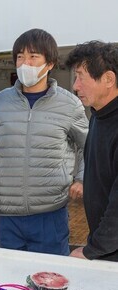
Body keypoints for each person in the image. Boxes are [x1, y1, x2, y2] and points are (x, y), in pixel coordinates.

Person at [0, 29, 89, 255]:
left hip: (50, 213)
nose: (24, 63)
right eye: (20, 57)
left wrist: (81, 178)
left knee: (49, 279)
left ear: (50, 64)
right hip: (4, 214)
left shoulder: (70, 105)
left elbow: (88, 146)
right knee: (5, 279)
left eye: (33, 57)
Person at [66, 41, 118, 261]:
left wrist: (92, 250)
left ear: (108, 79)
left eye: (80, 77)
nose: (76, 86)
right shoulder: (98, 116)